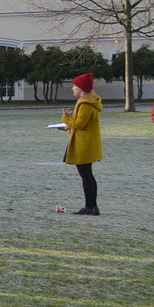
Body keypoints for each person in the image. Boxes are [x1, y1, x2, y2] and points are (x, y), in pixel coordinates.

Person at [60, 72, 103, 216]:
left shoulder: (85, 103)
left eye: (75, 86)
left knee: (86, 175)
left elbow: (80, 124)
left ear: (82, 89)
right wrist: (69, 124)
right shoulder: (89, 101)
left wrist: (66, 119)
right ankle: (91, 206)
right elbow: (81, 122)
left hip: (84, 144)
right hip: (85, 142)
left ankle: (90, 207)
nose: (73, 89)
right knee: (87, 175)